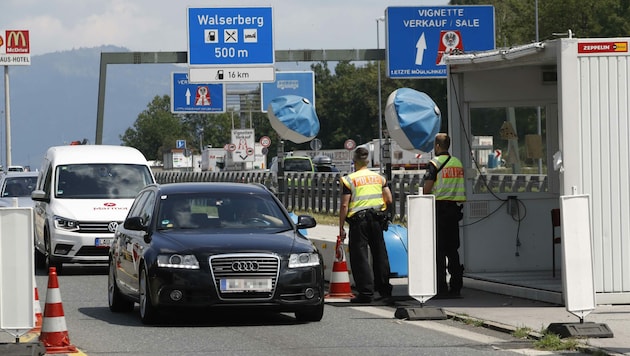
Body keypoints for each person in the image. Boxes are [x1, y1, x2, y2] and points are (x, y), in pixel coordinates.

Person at [339, 146, 394, 303]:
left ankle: (366, 293)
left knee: (360, 256)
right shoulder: (379, 178)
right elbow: (389, 199)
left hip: (359, 222)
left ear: (354, 161)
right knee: (380, 254)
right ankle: (384, 291)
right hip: (377, 219)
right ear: (368, 161)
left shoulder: (349, 179)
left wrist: (341, 227)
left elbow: (344, 205)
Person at [423, 133, 466, 297]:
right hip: (454, 211)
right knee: (453, 250)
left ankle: (440, 288)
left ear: (437, 146)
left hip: (439, 210)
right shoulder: (457, 163)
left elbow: (427, 188)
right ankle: (456, 287)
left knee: (439, 251)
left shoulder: (434, 163)